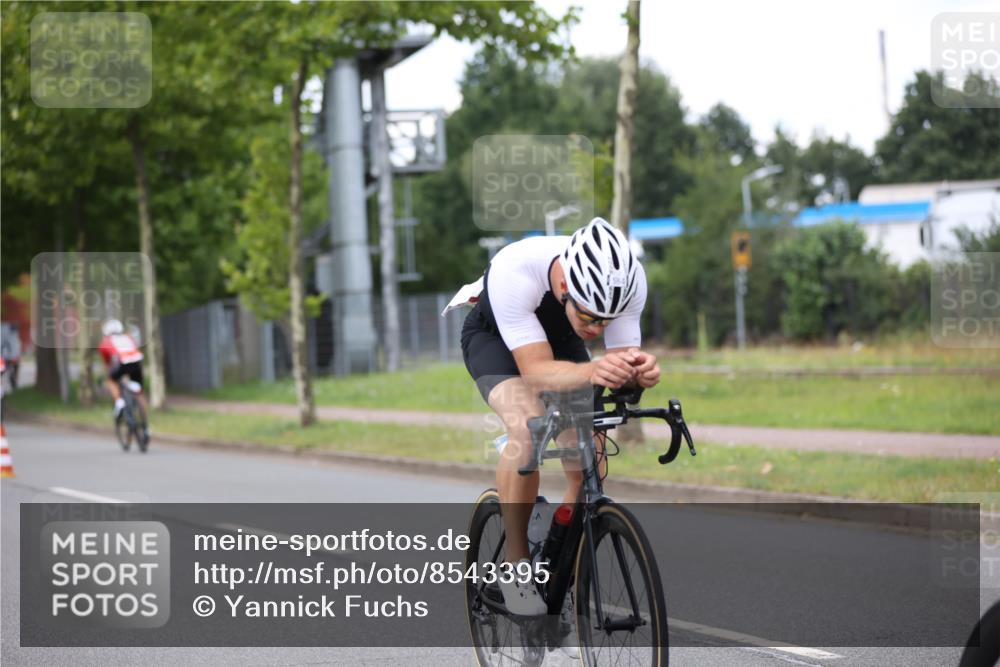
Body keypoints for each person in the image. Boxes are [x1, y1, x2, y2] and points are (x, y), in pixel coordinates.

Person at [457, 217, 661, 617]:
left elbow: (618, 363)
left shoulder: (628, 284)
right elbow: (535, 371)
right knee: (527, 425)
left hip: (560, 340)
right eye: (591, 319)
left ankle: (557, 560)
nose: (598, 329)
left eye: (606, 322)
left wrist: (640, 373)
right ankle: (515, 567)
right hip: (494, 339)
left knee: (590, 453)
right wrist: (592, 370)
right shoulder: (516, 270)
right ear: (566, 287)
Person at [97, 319, 148, 428]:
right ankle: (145, 424)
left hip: (120, 363)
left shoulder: (105, 342)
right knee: (139, 391)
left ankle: (119, 402)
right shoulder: (129, 337)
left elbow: (107, 362)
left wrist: (108, 371)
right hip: (136, 362)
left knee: (111, 380)